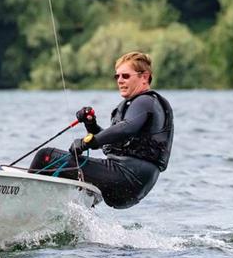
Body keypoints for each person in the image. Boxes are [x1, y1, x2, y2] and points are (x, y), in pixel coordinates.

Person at [28, 51, 174, 208]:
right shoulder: (137, 105)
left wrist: (86, 142)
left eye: (125, 76)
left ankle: (22, 205)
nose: (120, 81)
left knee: (46, 157)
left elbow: (126, 129)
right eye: (116, 76)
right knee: (72, 181)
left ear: (144, 77)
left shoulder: (145, 102)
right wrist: (91, 124)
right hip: (133, 180)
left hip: (128, 175)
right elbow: (112, 143)